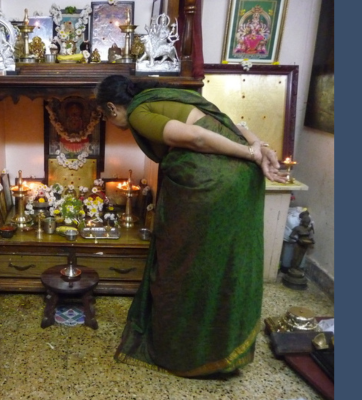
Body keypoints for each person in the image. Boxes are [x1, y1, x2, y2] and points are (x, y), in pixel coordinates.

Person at [95, 74, 287, 377]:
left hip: (212, 188)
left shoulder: (137, 113)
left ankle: (189, 354)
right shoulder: (167, 96)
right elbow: (230, 123)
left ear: (111, 107)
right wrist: (258, 148)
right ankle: (223, 352)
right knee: (224, 267)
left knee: (186, 268)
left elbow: (195, 138)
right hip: (240, 185)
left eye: (105, 116)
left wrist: (251, 153)